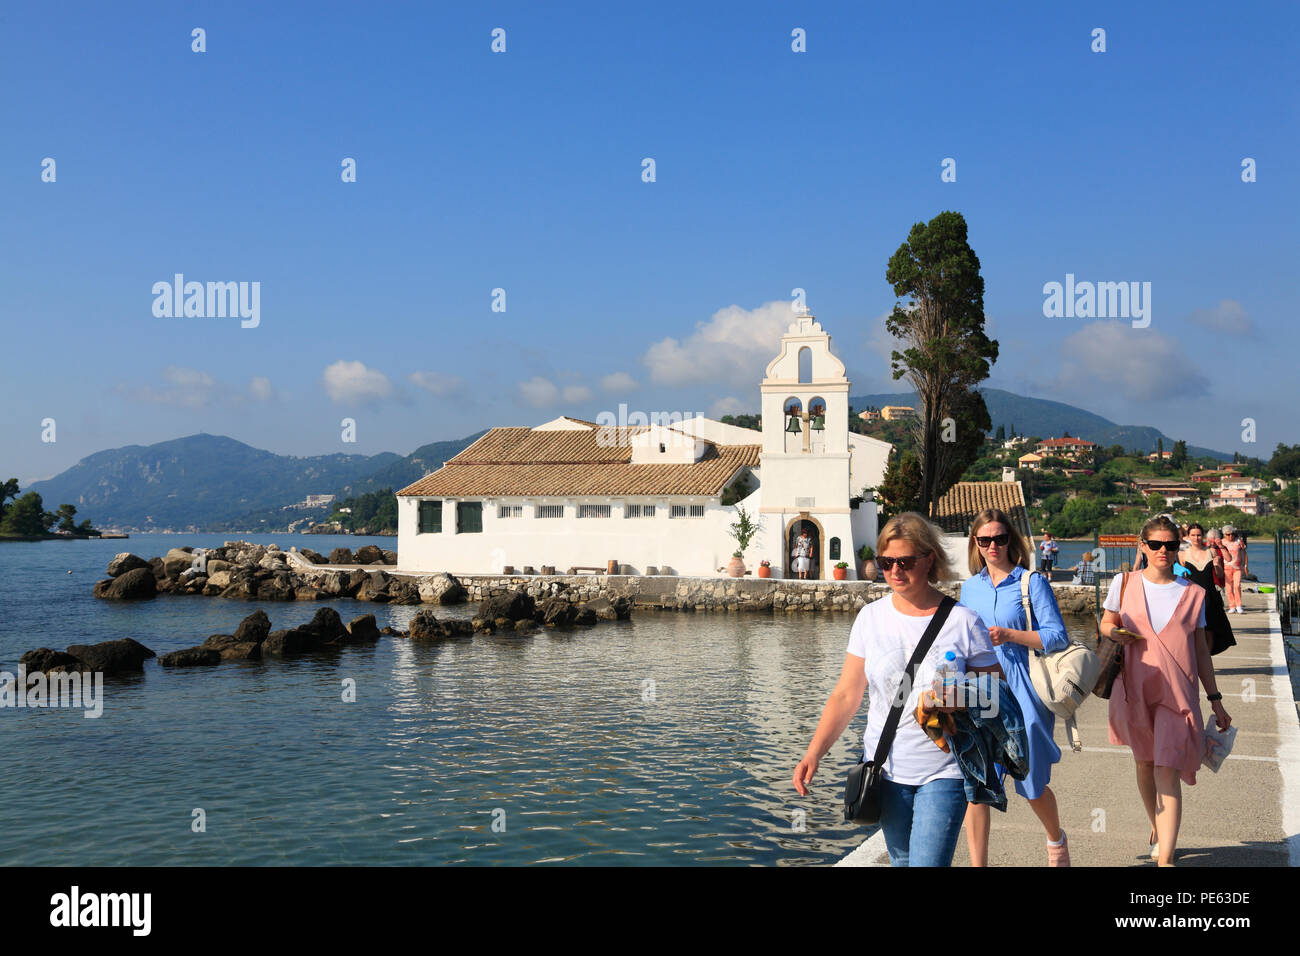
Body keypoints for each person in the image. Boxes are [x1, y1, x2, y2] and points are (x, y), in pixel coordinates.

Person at [792, 513, 1001, 867]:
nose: (895, 571)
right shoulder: (870, 618)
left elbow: (996, 695)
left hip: (945, 767)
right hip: (885, 769)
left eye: (904, 562)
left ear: (929, 558)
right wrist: (814, 752)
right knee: (902, 862)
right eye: (886, 563)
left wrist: (962, 695)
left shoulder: (963, 621)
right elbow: (847, 694)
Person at [1101, 516, 1231, 866]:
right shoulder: (1124, 583)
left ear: (1179, 548)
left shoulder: (1194, 593)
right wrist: (1114, 634)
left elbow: (1201, 651)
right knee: (1145, 763)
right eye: (1156, 544)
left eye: (1171, 545)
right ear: (1142, 545)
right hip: (1134, 691)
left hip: (1178, 695)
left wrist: (1215, 700)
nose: (1163, 551)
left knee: (1167, 769)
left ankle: (1166, 860)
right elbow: (1106, 623)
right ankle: (1157, 827)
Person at [960, 510, 1072, 866]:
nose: (993, 546)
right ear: (975, 543)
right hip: (979, 688)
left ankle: (1056, 840)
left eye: (1000, 538)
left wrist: (1009, 635)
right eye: (985, 540)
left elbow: (1057, 636)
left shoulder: (1030, 582)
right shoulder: (969, 587)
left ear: (1011, 541)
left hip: (1024, 686)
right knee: (977, 784)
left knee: (1030, 780)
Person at [1182, 523, 1236, 655]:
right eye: (1193, 535)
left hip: (1209, 596)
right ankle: (1195, 660)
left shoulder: (1211, 552)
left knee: (1209, 630)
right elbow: (1178, 577)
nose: (1196, 538)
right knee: (1192, 630)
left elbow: (1220, 575)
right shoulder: (1182, 555)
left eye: (1199, 535)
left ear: (1203, 536)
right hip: (1191, 598)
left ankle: (1207, 658)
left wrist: (1217, 565)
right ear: (1188, 536)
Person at [1220, 524, 1246, 614]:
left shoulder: (1238, 542)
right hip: (1226, 568)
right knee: (1228, 588)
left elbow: (1244, 554)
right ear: (1224, 534)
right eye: (1228, 534)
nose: (1230, 536)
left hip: (1237, 568)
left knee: (1237, 586)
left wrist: (1245, 565)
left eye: (1232, 534)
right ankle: (1232, 606)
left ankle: (1239, 605)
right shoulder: (1221, 542)